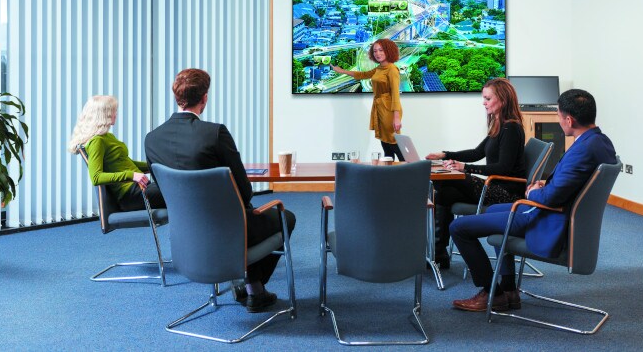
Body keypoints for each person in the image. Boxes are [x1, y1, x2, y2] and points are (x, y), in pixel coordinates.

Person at [144, 68, 297, 313]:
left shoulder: (152, 139)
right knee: (285, 217)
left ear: (176, 97)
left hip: (185, 235)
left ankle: (248, 285)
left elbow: (163, 190)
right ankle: (254, 288)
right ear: (204, 98)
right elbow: (245, 192)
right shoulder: (214, 133)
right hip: (229, 229)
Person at [450, 89, 616, 312]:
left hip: (545, 216)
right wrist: (545, 184)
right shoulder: (600, 142)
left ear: (569, 119)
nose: (559, 121)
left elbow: (551, 198)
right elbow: (572, 184)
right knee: (492, 211)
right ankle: (509, 288)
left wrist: (532, 192)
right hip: (555, 209)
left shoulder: (581, 151)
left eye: (558, 116)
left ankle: (492, 292)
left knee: (458, 227)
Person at [425, 78, 526, 268]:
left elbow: (502, 168)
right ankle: (439, 255)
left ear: (502, 100)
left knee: (450, 181)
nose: (483, 102)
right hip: (494, 187)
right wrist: (445, 154)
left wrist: (464, 168)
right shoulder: (499, 124)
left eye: (488, 98)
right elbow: (477, 153)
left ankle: (438, 254)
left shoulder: (511, 128)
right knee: (444, 194)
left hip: (506, 193)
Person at [68, 95, 165, 212]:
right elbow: (96, 177)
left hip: (139, 188)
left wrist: (156, 165)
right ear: (105, 115)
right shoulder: (96, 141)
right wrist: (131, 175)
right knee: (179, 192)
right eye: (114, 111)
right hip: (131, 195)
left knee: (178, 191)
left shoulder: (108, 136)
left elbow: (125, 162)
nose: (116, 114)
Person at [331, 38, 404, 161]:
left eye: (381, 50)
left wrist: (396, 117)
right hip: (379, 107)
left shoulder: (392, 69)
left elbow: (395, 94)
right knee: (385, 143)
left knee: (393, 141)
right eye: (375, 51)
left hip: (389, 110)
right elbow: (363, 75)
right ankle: (389, 172)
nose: (377, 53)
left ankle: (409, 171)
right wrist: (342, 71)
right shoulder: (380, 68)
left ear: (388, 51)